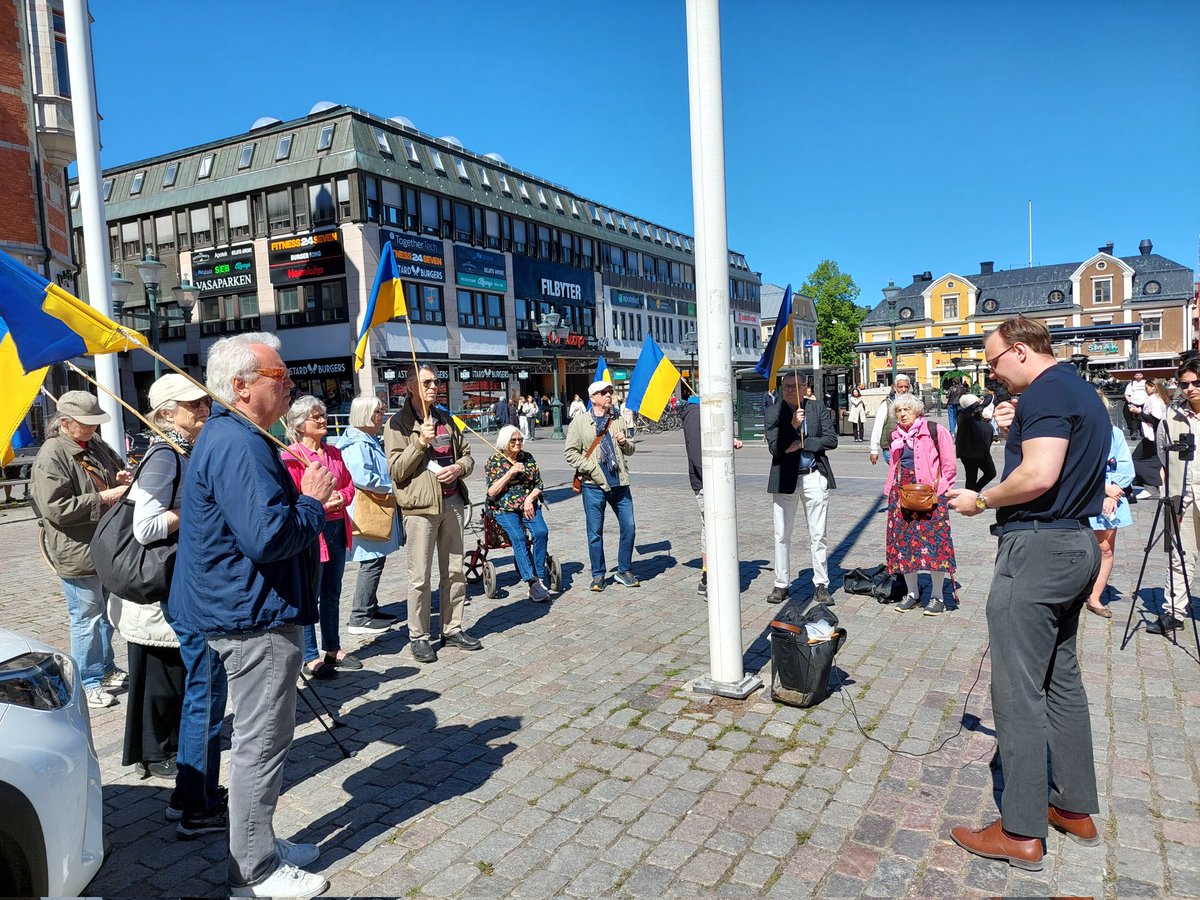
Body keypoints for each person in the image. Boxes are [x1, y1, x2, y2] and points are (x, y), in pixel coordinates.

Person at [170, 332, 332, 897]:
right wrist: (311, 501)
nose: (289, 384)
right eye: (278, 376)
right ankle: (253, 872)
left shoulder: (236, 435)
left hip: (246, 607)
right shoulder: (237, 441)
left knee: (263, 741)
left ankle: (258, 843)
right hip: (252, 617)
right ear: (241, 387)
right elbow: (267, 536)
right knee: (261, 745)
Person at [947, 315, 1107, 872]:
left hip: (1038, 549)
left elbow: (1038, 475)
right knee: (1062, 681)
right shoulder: (1078, 390)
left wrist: (981, 499)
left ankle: (1019, 830)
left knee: (1018, 691)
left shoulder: (1046, 393)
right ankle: (1074, 806)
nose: (992, 373)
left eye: (993, 361)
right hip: (1076, 542)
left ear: (1018, 351)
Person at [118, 377, 208, 786]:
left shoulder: (180, 450)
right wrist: (196, 509)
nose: (203, 408)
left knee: (170, 671)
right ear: (168, 413)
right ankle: (155, 753)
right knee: (160, 673)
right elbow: (146, 527)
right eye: (193, 404)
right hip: (158, 581)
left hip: (172, 579)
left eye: (203, 401)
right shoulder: (164, 455)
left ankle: (164, 746)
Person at [31, 390, 131, 709]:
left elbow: (115, 470)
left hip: (105, 543)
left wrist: (121, 475)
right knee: (86, 616)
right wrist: (103, 498)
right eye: (85, 424)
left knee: (106, 613)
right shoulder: (51, 454)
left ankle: (106, 668)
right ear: (64, 423)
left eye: (94, 422)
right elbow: (56, 508)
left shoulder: (93, 443)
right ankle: (88, 681)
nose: (92, 428)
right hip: (77, 549)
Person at [385, 364, 480, 664]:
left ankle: (452, 628)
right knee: (419, 577)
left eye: (435, 382)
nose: (433, 387)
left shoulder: (445, 418)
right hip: (420, 509)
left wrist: (459, 468)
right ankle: (419, 636)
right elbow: (397, 471)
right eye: (426, 382)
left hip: (452, 503)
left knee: (454, 571)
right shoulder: (397, 423)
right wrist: (420, 442)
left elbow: (468, 455)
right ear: (410, 387)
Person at [282, 396, 360, 679]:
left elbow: (349, 485)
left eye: (323, 414)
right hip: (314, 533)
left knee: (332, 592)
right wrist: (322, 505)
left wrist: (342, 497)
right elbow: (293, 497)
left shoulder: (333, 452)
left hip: (338, 528)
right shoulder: (291, 457)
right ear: (299, 424)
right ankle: (310, 655)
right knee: (310, 594)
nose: (322, 419)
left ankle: (332, 647)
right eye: (315, 416)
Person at [765, 373, 838, 606]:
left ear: (805, 387)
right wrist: (792, 425)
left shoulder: (817, 408)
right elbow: (776, 447)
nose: (790, 389)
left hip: (814, 475)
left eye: (795, 385)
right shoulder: (774, 412)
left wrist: (803, 443)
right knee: (781, 534)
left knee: (818, 534)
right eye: (786, 386)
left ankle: (821, 584)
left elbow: (831, 440)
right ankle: (781, 584)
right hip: (785, 479)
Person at [333, 396, 404, 636]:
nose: (381, 416)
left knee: (376, 559)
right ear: (364, 414)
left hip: (372, 506)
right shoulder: (357, 443)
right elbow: (363, 478)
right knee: (371, 561)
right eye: (377, 412)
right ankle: (360, 616)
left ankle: (369, 608)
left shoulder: (366, 439)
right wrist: (392, 487)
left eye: (382, 411)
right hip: (366, 508)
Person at [884, 393, 957, 614]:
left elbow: (949, 464)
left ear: (917, 410)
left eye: (906, 409)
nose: (902, 414)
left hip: (930, 493)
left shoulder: (935, 430)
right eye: (898, 410)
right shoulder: (895, 435)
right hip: (902, 493)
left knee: (936, 544)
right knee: (904, 544)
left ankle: (937, 596)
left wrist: (942, 489)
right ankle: (912, 593)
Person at [564, 380, 637, 592]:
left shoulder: (618, 419)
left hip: (619, 483)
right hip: (593, 485)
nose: (608, 395)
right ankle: (598, 574)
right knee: (595, 532)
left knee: (629, 527)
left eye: (610, 392)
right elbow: (570, 453)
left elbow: (630, 449)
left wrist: (624, 442)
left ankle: (624, 570)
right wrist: (592, 468)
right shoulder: (579, 422)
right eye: (603, 392)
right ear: (593, 398)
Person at [1152, 355, 1200, 635]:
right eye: (1184, 384)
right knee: (1180, 555)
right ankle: (1174, 611)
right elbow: (1163, 453)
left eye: (1196, 383)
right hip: (1181, 495)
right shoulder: (1171, 415)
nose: (1190, 389)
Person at [681, 394, 741, 595]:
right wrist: (713, 477)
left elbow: (711, 441)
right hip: (707, 482)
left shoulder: (704, 410)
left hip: (714, 481)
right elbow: (697, 454)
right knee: (712, 528)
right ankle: (709, 576)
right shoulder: (696, 413)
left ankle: (711, 574)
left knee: (713, 527)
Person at [485, 425, 551, 601]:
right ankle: (532, 583)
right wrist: (510, 473)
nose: (517, 443)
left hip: (527, 505)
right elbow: (491, 492)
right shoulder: (494, 461)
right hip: (503, 508)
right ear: (504, 442)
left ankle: (539, 575)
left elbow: (539, 484)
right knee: (519, 537)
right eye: (513, 440)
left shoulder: (527, 458)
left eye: (520, 439)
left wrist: (529, 500)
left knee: (541, 532)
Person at [1085, 393, 1134, 619]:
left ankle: (1095, 597)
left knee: (1106, 549)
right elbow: (1076, 470)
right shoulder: (1076, 435)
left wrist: (1113, 494)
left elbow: (1125, 466)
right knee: (1083, 547)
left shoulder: (1115, 434)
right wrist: (1104, 488)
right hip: (1085, 496)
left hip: (1112, 498)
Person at [1131, 377, 1168, 499]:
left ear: (1153, 387)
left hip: (1152, 437)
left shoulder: (1154, 400)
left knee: (1135, 460)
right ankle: (1156, 486)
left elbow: (1155, 419)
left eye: (1146, 387)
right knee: (1155, 461)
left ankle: (1151, 487)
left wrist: (1139, 413)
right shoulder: (1160, 399)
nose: (1145, 390)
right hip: (1157, 436)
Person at [955, 393, 997, 493]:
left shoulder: (978, 415)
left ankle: (974, 491)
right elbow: (974, 407)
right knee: (971, 477)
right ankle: (970, 495)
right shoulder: (963, 415)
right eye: (977, 403)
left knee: (991, 473)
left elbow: (990, 397)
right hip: (969, 452)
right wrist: (979, 403)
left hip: (982, 450)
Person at [868, 373, 913, 464]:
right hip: (890, 447)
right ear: (894, 387)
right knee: (901, 471)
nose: (903, 390)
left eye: (906, 387)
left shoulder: (913, 404)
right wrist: (874, 450)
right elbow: (878, 427)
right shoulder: (886, 404)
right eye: (900, 387)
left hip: (908, 447)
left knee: (906, 472)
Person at [1124, 371, 1148, 438]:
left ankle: (1143, 432)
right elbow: (1126, 394)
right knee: (1134, 418)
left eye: (1140, 375)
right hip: (1134, 403)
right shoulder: (1131, 384)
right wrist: (1129, 402)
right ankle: (1134, 432)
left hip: (1144, 402)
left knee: (1144, 417)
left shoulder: (1146, 383)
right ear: (1134, 376)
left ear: (1142, 375)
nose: (1138, 376)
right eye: (1137, 375)